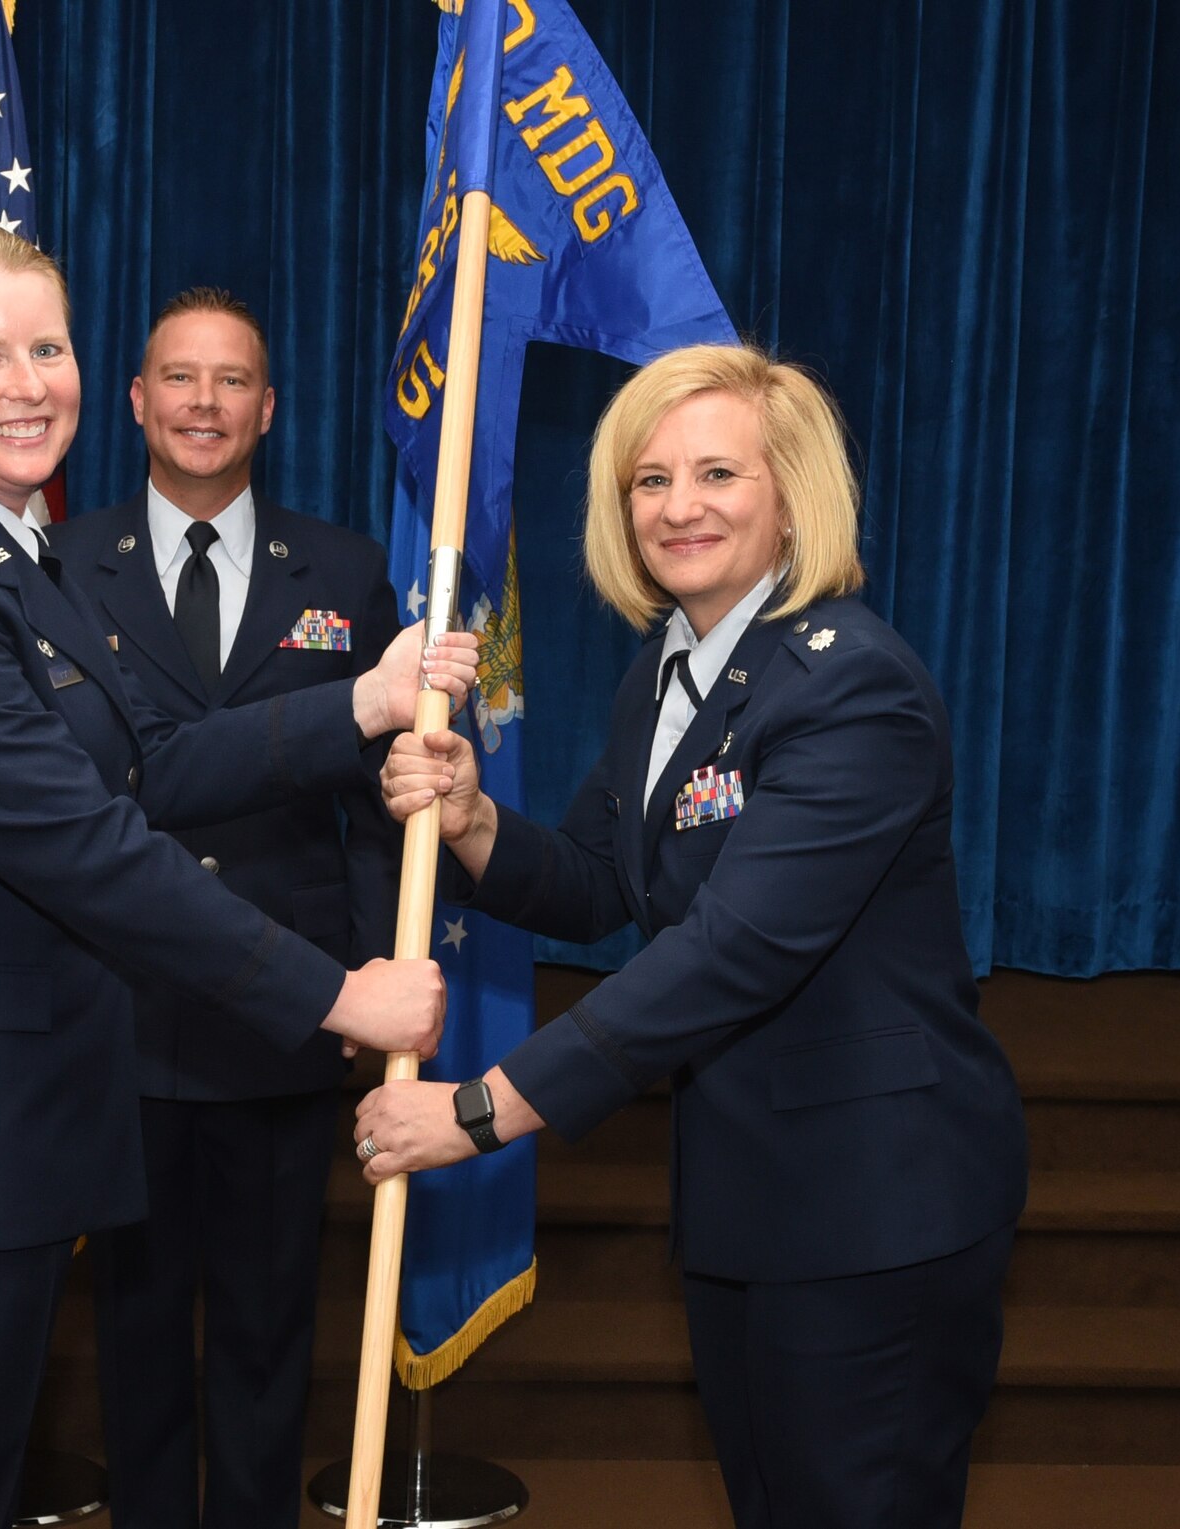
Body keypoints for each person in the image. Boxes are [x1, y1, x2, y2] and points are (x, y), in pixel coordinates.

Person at [0, 223, 475, 1529]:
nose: (30, 381)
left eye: (48, 345)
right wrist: (336, 997)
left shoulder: (10, 552)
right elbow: (88, 849)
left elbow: (150, 760)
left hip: (5, 1138)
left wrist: (361, 702)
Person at [359, 343, 1027, 1529]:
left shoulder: (847, 685)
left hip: (872, 1210)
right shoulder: (665, 670)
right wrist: (467, 819)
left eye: (717, 473)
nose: (677, 507)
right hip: (749, 1196)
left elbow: (728, 951)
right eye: (647, 479)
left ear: (788, 497)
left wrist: (476, 1112)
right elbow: (591, 884)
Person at [54, 288, 402, 1529]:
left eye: (231, 381)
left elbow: (370, 802)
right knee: (136, 1332)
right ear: (137, 400)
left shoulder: (350, 569)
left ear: (267, 407)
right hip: (125, 1012)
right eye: (178, 379)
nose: (204, 403)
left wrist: (369, 988)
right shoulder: (60, 563)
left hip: (289, 1017)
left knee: (267, 1334)